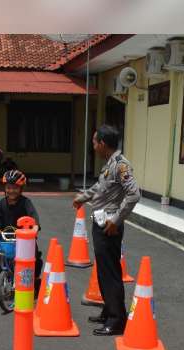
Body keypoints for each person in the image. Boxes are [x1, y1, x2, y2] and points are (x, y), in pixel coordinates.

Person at [73, 124, 140, 336]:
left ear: (102, 143)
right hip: (101, 221)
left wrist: (117, 219)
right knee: (103, 269)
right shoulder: (108, 164)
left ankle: (117, 320)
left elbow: (134, 194)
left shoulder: (121, 165)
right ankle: (108, 310)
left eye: (94, 142)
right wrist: (82, 198)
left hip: (110, 225)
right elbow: (100, 188)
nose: (93, 146)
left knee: (110, 272)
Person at [0, 169, 43, 296]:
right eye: (9, 187)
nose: (11, 191)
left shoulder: (26, 203)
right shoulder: (1, 203)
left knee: (33, 255)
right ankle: (0, 272)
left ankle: (33, 278)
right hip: (6, 237)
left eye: (15, 188)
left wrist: (35, 227)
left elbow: (33, 215)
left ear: (21, 189)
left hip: (23, 239)